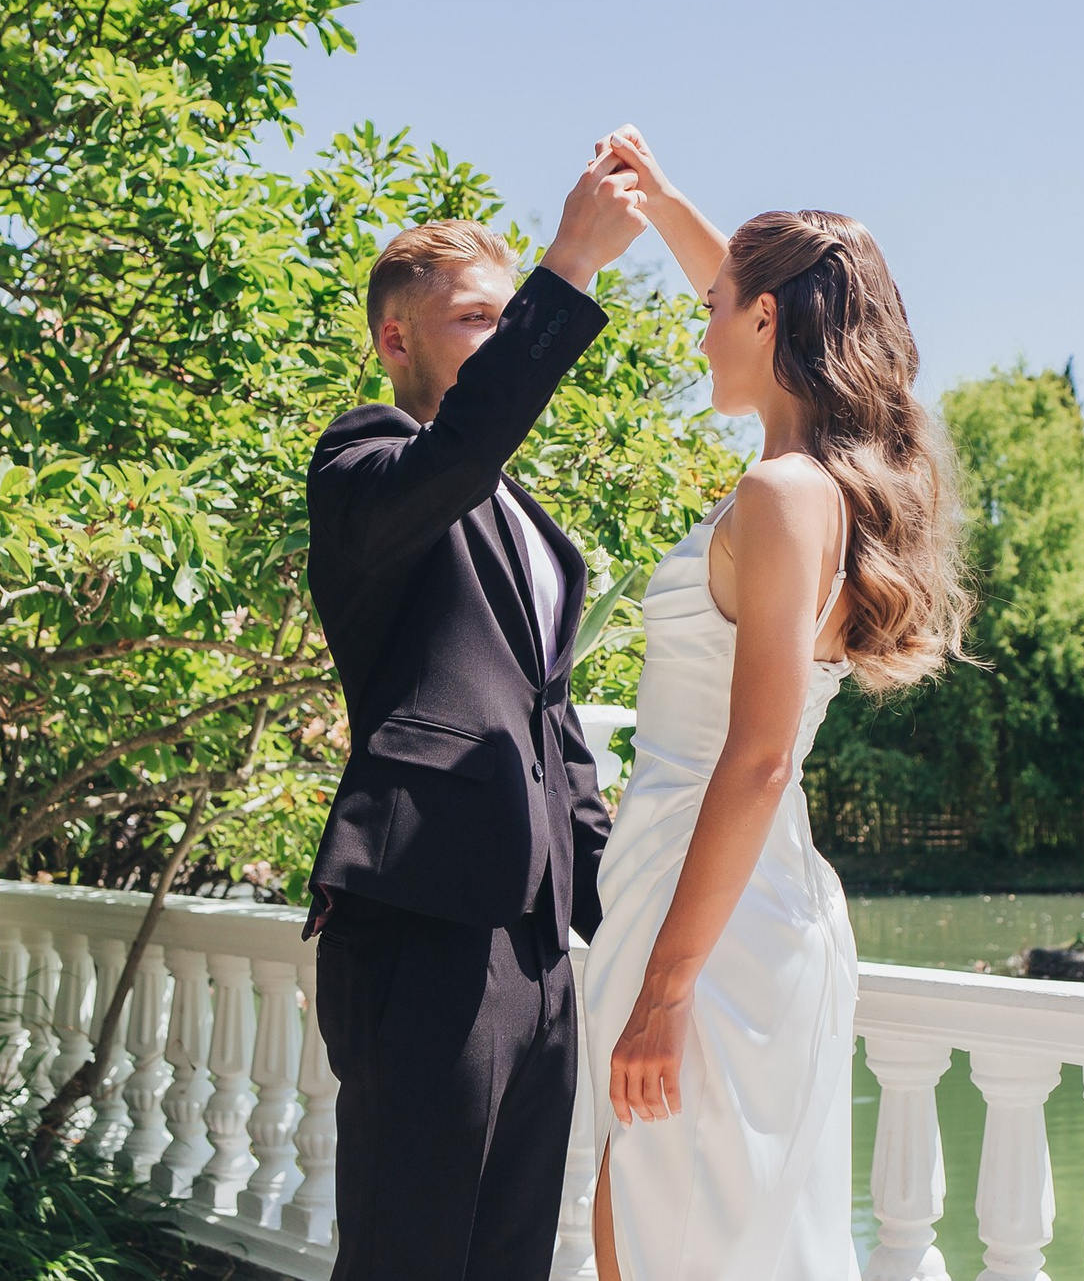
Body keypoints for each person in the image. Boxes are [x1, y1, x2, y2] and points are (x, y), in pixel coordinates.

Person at [583, 127, 972, 1280]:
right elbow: (745, 284)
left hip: (713, 923)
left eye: (716, 306)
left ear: (764, 321)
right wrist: (659, 204)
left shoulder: (780, 493)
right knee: (649, 1225)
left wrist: (665, 985)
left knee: (684, 1242)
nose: (697, 325)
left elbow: (755, 759)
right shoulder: (816, 486)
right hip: (707, 896)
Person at [303, 150, 647, 1281]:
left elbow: (559, 746)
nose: (498, 340)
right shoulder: (363, 462)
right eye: (476, 319)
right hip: (420, 917)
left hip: (537, 938)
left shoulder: (535, 531)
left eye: (512, 321)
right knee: (408, 1255)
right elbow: (456, 454)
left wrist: (636, 917)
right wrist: (570, 267)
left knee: (509, 1259)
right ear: (396, 340)